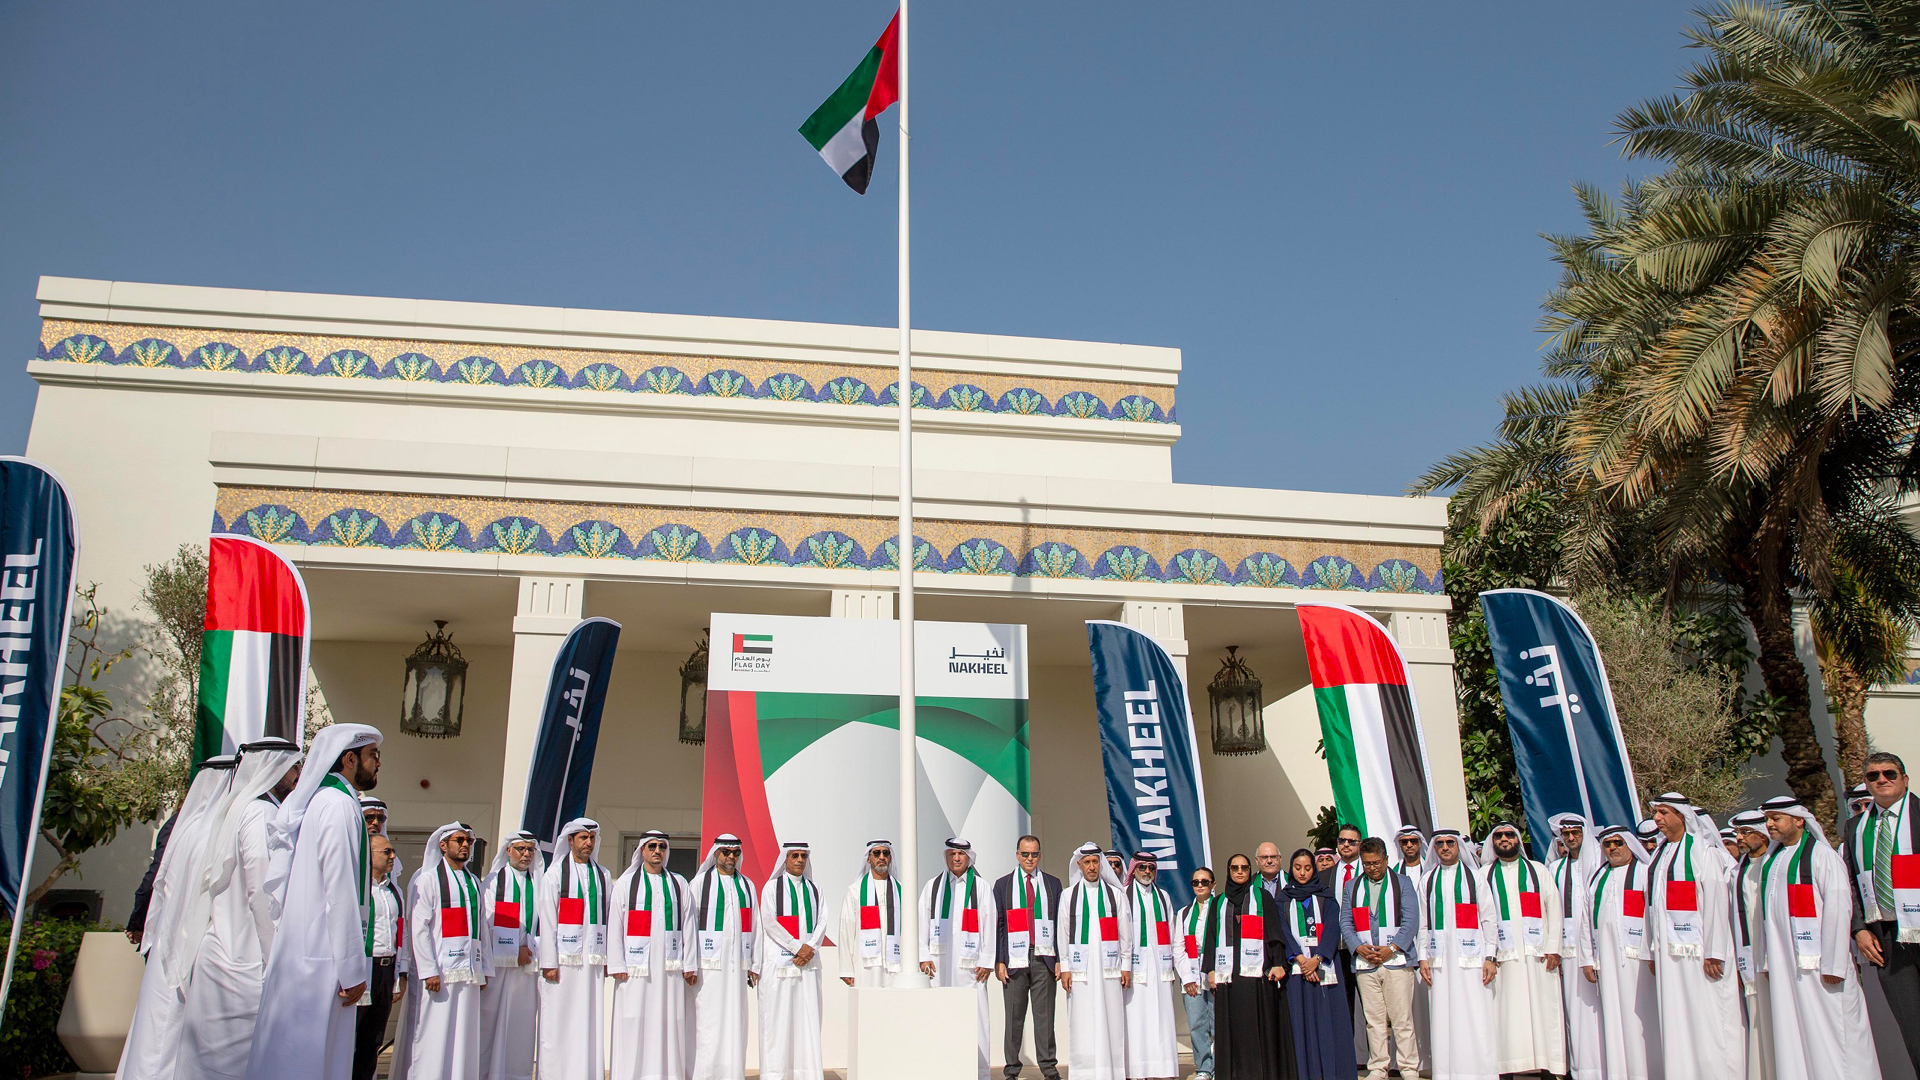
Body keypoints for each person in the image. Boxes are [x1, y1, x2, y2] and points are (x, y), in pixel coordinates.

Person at [244, 724, 383, 1080]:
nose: (378, 763)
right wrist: (353, 970)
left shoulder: (330, 800)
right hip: (322, 960)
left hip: (315, 954)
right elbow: (340, 891)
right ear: (350, 759)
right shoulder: (336, 804)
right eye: (373, 755)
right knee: (307, 1059)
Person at [176, 738, 304, 1080]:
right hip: (243, 963)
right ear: (273, 769)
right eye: (294, 768)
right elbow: (262, 894)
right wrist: (276, 961)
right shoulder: (261, 813)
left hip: (222, 956)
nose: (298, 776)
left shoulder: (240, 810)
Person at [117, 754, 237, 1080]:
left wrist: (140, 920)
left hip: (171, 934)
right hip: (187, 938)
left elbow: (155, 878)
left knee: (161, 1020)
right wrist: (138, 920)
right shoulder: (209, 827)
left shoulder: (184, 823)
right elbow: (156, 876)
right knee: (173, 1021)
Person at [1758, 795, 1882, 1080]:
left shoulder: (1822, 856)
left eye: (1776, 818)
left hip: (1822, 968)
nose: (1769, 824)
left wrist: (1834, 964)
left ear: (1799, 820)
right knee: (1798, 1035)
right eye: (1768, 819)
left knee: (1838, 1036)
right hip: (1789, 967)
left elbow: (1839, 910)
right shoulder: (1773, 858)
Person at [1646, 793, 1745, 1080]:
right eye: (1655, 813)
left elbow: (1716, 904)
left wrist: (1714, 951)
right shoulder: (1661, 853)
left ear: (1682, 816)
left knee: (1709, 1017)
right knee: (1677, 1018)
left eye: (1663, 813)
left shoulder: (1704, 852)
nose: (1657, 819)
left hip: (1701, 954)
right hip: (1670, 955)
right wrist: (1654, 948)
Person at [1844, 751, 1919, 1075]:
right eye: (1873, 776)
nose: (1882, 780)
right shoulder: (1856, 827)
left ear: (1904, 779)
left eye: (1889, 773)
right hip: (1887, 939)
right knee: (1913, 1031)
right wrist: (1859, 929)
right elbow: (1851, 880)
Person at [406, 822, 494, 1080]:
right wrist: (429, 970)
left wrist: (484, 967)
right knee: (435, 1033)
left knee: (464, 1034)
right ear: (443, 846)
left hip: (469, 973)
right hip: (441, 974)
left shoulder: (474, 882)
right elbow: (419, 928)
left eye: (469, 841)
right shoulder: (429, 880)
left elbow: (481, 930)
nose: (465, 845)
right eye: (459, 840)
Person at [1482, 821, 1565, 1077]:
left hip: (1537, 956)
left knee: (1543, 1012)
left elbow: (1554, 910)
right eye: (1499, 836)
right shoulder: (1483, 873)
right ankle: (1506, 1069)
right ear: (1492, 842)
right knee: (1505, 1015)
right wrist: (1488, 954)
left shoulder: (1538, 871)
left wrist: (1554, 948)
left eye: (1509, 835)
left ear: (1518, 839)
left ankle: (1548, 1068)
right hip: (1502, 958)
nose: (1504, 839)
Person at [1577, 824, 1660, 1080]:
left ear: (1629, 844)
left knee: (1644, 1019)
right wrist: (1587, 959)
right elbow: (1585, 920)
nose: (1612, 848)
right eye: (1607, 844)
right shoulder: (1597, 877)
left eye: (1618, 843)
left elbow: (1656, 916)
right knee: (1614, 1019)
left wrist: (1655, 953)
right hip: (1608, 963)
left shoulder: (1646, 873)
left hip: (1640, 962)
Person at [609, 829, 690, 1080]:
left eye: (662, 847)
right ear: (642, 850)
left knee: (670, 1022)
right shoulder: (625, 883)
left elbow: (687, 924)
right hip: (635, 969)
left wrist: (690, 964)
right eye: (652, 846)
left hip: (670, 969)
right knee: (633, 1020)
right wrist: (616, 963)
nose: (657, 851)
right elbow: (615, 924)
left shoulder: (679, 883)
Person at [1209, 852, 1296, 1080]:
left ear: (1250, 871)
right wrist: (1209, 970)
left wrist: (1278, 963)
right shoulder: (1218, 902)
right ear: (1228, 871)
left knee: (1259, 1027)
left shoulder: (1263, 897)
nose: (1239, 872)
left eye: (1244, 868)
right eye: (1235, 868)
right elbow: (1210, 938)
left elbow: (1274, 933)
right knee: (1233, 1029)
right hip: (1228, 978)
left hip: (1257, 975)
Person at [1419, 829, 1497, 1080]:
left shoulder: (1475, 878)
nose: (1444, 847)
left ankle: (1480, 1072)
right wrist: (1422, 958)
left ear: (1458, 846)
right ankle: (1446, 1073)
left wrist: (1490, 957)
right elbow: (1422, 923)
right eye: (1439, 843)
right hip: (1438, 960)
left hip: (1472, 959)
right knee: (1442, 1017)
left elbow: (1489, 918)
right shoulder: (1427, 880)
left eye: (1449, 843)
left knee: (1476, 1014)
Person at [536, 818, 611, 1080]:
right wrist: (549, 962)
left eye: (591, 838)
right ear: (570, 841)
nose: (588, 843)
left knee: (588, 1021)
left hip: (592, 963)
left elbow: (609, 919)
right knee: (560, 1021)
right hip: (562, 964)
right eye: (582, 838)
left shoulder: (603, 875)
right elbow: (546, 921)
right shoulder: (554, 875)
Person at [919, 837, 999, 1080]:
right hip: (939, 965)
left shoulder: (982, 887)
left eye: (961, 855)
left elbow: (990, 924)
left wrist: (987, 960)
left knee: (976, 1017)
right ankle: (939, 1069)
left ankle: (978, 1072)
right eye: (952, 854)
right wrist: (923, 955)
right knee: (939, 1015)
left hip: (971, 967)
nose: (956, 858)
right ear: (946, 856)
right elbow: (921, 920)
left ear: (969, 858)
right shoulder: (933, 886)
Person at [1341, 837, 1418, 1080]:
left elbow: (1411, 921)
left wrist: (1392, 947)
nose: (1372, 868)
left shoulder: (1403, 884)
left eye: (1376, 863)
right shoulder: (1352, 886)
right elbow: (1346, 921)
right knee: (1374, 1021)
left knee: (1401, 1019)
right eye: (1366, 864)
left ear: (1386, 859)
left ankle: (1408, 1067)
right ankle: (1378, 1067)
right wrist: (1358, 947)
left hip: (1396, 961)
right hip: (1365, 963)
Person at [1058, 842, 1133, 1080]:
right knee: (1082, 1020)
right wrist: (1066, 967)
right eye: (1087, 862)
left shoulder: (1116, 895)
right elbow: (1063, 933)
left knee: (1111, 1019)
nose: (1092, 867)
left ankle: (1111, 1072)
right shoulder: (1068, 895)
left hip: (1110, 969)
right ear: (1079, 865)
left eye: (1095, 862)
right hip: (1081, 972)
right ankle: (1085, 1072)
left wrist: (1126, 965)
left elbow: (1126, 934)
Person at [992, 834, 1060, 1080]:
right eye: (1025, 854)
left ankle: (1049, 1069)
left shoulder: (1052, 884)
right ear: (1017, 854)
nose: (1030, 858)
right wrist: (999, 960)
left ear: (1039, 855)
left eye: (1034, 854)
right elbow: (999, 924)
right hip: (1014, 959)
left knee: (1044, 1017)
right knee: (1014, 1017)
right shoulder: (1003, 885)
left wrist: (1060, 959)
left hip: (1044, 957)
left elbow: (1058, 925)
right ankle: (1011, 1070)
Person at [688, 833, 756, 1080]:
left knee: (735, 1022)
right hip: (707, 967)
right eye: (726, 852)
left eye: (736, 853)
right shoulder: (698, 884)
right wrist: (689, 964)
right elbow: (688, 927)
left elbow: (755, 925)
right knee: (708, 1021)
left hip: (737, 968)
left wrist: (754, 964)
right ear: (715, 853)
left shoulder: (747, 885)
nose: (731, 857)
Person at [755, 841, 825, 1080]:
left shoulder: (815, 889)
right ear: (785, 859)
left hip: (808, 966)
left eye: (803, 856)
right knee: (778, 1023)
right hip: (779, 968)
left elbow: (822, 922)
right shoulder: (771, 888)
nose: (799, 860)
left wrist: (810, 948)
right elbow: (769, 922)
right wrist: (797, 947)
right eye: (794, 855)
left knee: (807, 1021)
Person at [1282, 849, 1352, 1080]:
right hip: (1297, 970)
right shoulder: (1282, 899)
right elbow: (1283, 932)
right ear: (1291, 869)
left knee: (1328, 1023)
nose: (1302, 873)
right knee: (1301, 1023)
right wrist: (1302, 961)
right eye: (1298, 868)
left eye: (1307, 868)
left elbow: (1333, 929)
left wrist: (1317, 959)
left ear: (1314, 870)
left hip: (1325, 968)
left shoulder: (1326, 896)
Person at [478, 831, 541, 1080]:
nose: (526, 854)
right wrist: (512, 949)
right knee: (490, 1022)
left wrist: (529, 949)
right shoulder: (493, 881)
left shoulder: (539, 882)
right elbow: (487, 922)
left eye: (530, 850)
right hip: (498, 964)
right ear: (508, 851)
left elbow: (546, 922)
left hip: (527, 965)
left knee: (521, 1025)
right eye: (520, 849)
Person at [1547, 813, 1602, 1080]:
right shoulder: (1555, 870)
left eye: (1575, 833)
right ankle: (1582, 1071)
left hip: (1602, 950)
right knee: (1576, 1011)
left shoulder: (1600, 864)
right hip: (1568, 951)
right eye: (1565, 834)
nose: (1570, 838)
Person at [353, 833, 408, 1080]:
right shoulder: (357, 888)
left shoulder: (393, 890)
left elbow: (401, 933)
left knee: (373, 1040)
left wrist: (401, 974)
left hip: (386, 969)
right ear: (370, 854)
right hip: (363, 968)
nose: (393, 856)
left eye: (393, 851)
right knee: (351, 1037)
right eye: (387, 851)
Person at [1123, 851, 1180, 1080]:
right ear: (1133, 869)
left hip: (1159, 967)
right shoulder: (1123, 895)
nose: (1147, 872)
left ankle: (1161, 1068)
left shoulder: (1163, 896)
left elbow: (1173, 932)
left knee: (1161, 1017)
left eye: (1151, 868)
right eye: (1142, 867)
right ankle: (1135, 1069)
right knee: (1134, 1018)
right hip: (1133, 969)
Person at [1728, 810, 1774, 1080]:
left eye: (1746, 832)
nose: (1739, 838)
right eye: (1738, 833)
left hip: (1778, 956)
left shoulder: (1776, 864)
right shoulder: (1736, 871)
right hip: (1750, 959)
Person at [843, 838, 909, 989]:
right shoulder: (855, 890)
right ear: (868, 858)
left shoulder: (902, 890)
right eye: (876, 853)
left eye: (885, 853)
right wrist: (846, 968)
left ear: (890, 858)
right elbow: (846, 930)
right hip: (866, 964)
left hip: (897, 963)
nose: (881, 857)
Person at [1176, 866, 1222, 1080]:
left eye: (1205, 881)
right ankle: (1204, 1067)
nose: (1200, 885)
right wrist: (1187, 977)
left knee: (1218, 1022)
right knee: (1196, 1024)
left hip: (1216, 973)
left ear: (1213, 884)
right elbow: (1178, 948)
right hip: (1192, 974)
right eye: (1196, 882)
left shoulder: (1221, 908)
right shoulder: (1184, 913)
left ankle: (1220, 1066)